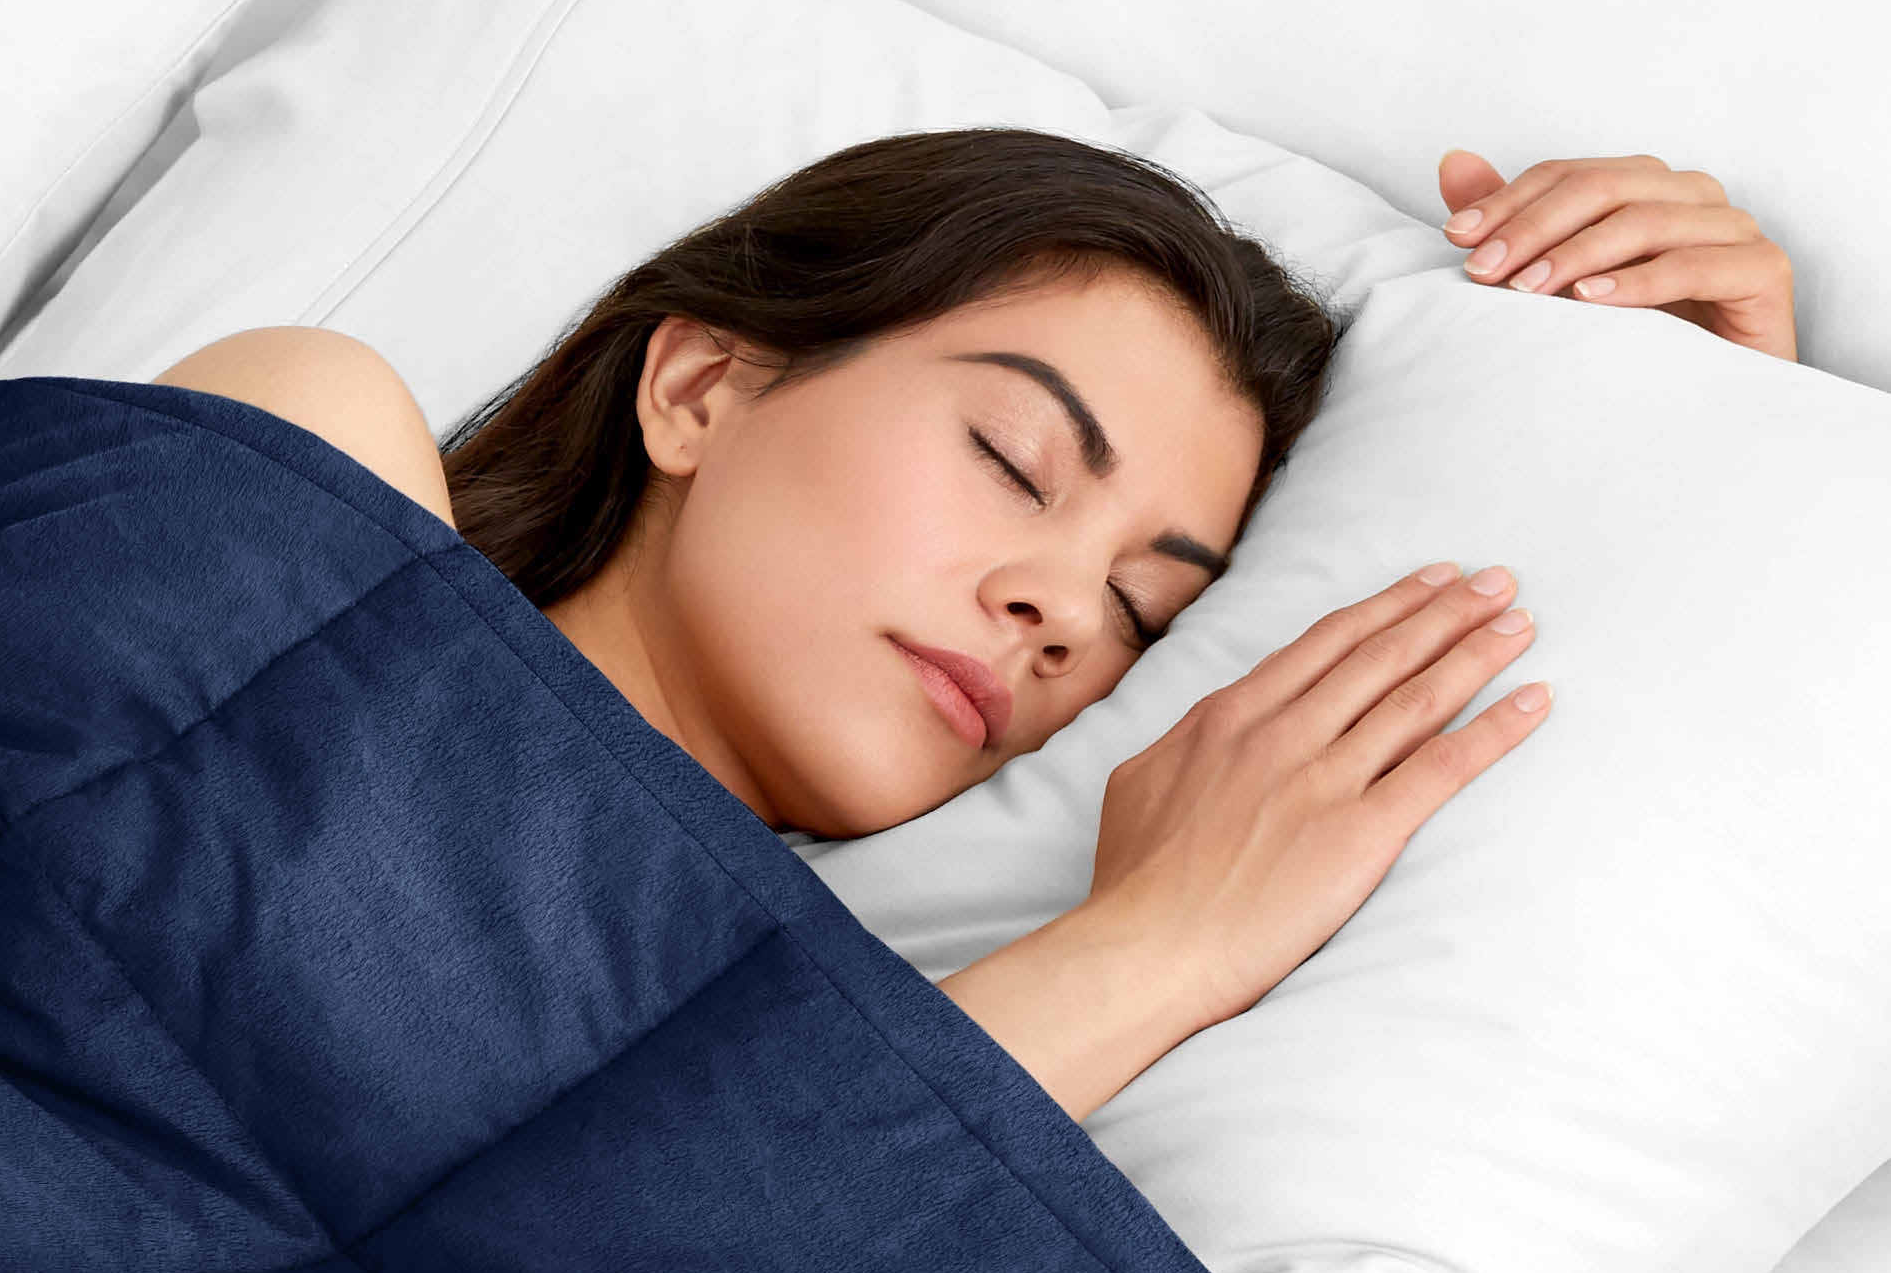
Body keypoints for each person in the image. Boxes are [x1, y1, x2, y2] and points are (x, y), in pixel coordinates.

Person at [155, 129, 1797, 1122]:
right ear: (704, 385)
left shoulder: (821, 1034)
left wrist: (1715, 441)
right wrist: (1141, 954)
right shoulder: (315, 442)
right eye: (1014, 463)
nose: (1062, 613)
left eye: (1145, 611)